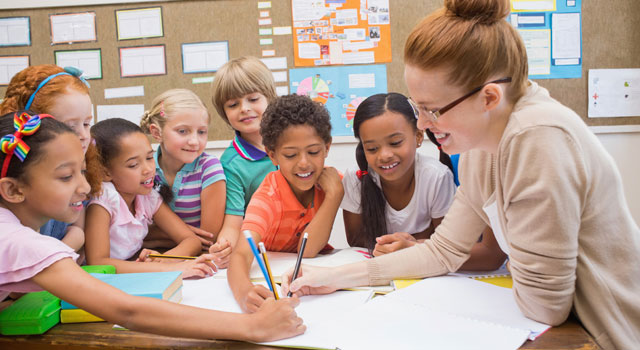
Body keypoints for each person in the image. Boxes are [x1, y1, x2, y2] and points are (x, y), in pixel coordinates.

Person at [282, 1, 640, 349]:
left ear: (488, 98)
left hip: (606, 331)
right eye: (418, 107)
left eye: (432, 110)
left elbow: (547, 305)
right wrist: (333, 277)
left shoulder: (539, 139)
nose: (422, 124)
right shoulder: (480, 147)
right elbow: (443, 251)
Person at [0, 111, 305, 341]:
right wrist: (252, 326)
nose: (85, 187)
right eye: (67, 177)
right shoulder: (17, 239)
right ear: (13, 190)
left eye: (83, 171)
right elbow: (126, 310)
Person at [228, 94, 343, 313]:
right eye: (290, 155)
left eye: (313, 152)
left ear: (327, 148)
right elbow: (241, 254)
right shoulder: (268, 196)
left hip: (314, 288)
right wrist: (244, 292)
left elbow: (307, 252)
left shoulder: (332, 184)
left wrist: (334, 194)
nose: (304, 163)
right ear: (273, 156)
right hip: (279, 287)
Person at [84, 118, 206, 276]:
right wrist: (166, 269)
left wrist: (164, 260)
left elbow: (192, 240)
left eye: (149, 158)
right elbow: (98, 263)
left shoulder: (147, 196)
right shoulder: (104, 199)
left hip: (131, 274)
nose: (148, 169)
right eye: (133, 165)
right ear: (106, 172)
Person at [0, 64, 101, 254]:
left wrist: (76, 236)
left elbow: (78, 228)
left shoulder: (83, 164)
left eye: (87, 123)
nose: (83, 135)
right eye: (69, 127)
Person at [341, 93, 456, 256]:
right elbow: (355, 239)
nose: (384, 155)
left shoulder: (436, 176)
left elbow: (447, 241)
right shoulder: (356, 178)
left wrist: (410, 245)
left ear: (418, 136)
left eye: (395, 143)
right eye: (372, 148)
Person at [139, 89, 226, 257]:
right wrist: (185, 236)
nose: (194, 141)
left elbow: (207, 239)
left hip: (195, 260)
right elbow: (134, 233)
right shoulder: (144, 169)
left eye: (201, 132)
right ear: (157, 133)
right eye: (182, 131)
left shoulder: (209, 169)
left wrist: (155, 235)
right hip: (144, 258)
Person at [210, 56, 278, 268]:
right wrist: (225, 246)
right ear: (225, 113)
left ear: (269, 98)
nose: (244, 108)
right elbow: (233, 221)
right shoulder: (231, 164)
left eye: (253, 99)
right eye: (233, 104)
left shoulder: (292, 143)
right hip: (265, 251)